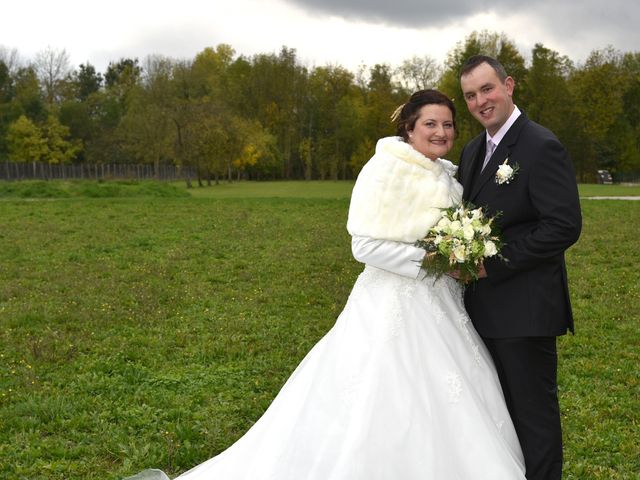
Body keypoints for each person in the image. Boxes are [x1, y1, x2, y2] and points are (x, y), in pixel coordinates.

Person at [127, 90, 526, 480]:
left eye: (448, 124)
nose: (441, 132)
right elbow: (364, 244)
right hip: (393, 300)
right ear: (408, 127)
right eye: (430, 124)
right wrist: (431, 262)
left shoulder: (447, 174)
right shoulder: (385, 169)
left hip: (442, 303)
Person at [457, 55, 582, 480]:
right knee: (497, 415)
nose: (481, 101)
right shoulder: (474, 150)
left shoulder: (540, 145)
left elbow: (563, 226)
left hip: (525, 310)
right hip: (480, 310)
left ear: (509, 86)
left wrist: (493, 264)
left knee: (533, 419)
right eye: (471, 95)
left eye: (487, 89)